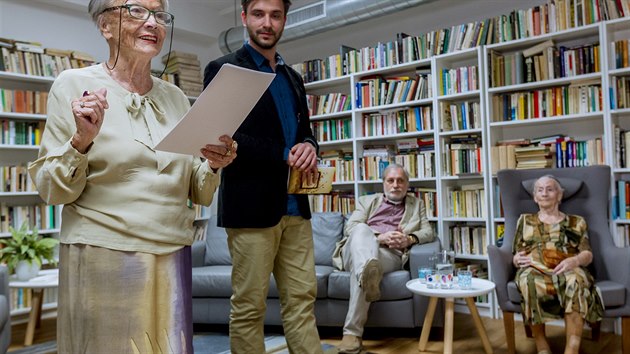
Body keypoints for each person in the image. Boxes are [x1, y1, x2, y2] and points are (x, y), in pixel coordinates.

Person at [27, 0, 237, 352]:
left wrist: (214, 164)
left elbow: (197, 191)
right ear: (105, 26)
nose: (153, 22)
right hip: (105, 252)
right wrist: (80, 141)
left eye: (160, 14)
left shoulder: (176, 98)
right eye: (137, 10)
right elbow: (52, 189)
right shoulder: (73, 85)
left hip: (173, 250)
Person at [202, 0, 322, 353]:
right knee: (249, 307)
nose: (267, 23)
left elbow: (305, 132)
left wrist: (309, 146)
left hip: (296, 207)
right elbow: (223, 134)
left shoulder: (292, 77)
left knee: (302, 303)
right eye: (258, 14)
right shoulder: (223, 68)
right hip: (251, 207)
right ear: (244, 17)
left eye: (275, 15)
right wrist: (286, 153)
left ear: (285, 20)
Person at [331, 163, 435, 354]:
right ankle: (353, 329)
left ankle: (352, 335)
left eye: (400, 180)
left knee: (370, 266)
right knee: (362, 230)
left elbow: (428, 232)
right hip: (354, 252)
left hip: (389, 255)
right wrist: (379, 237)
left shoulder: (416, 204)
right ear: (383, 184)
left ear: (407, 184)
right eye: (391, 180)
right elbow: (351, 227)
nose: (395, 185)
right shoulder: (366, 201)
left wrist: (409, 239)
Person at [512, 175, 604, 354]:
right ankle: (541, 345)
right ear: (534, 197)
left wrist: (575, 260)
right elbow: (516, 253)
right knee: (527, 280)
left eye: (550, 189)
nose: (544, 193)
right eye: (540, 190)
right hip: (535, 268)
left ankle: (572, 347)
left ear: (559, 195)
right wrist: (516, 260)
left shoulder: (576, 222)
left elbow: (587, 253)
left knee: (576, 281)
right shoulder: (525, 221)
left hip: (569, 266)